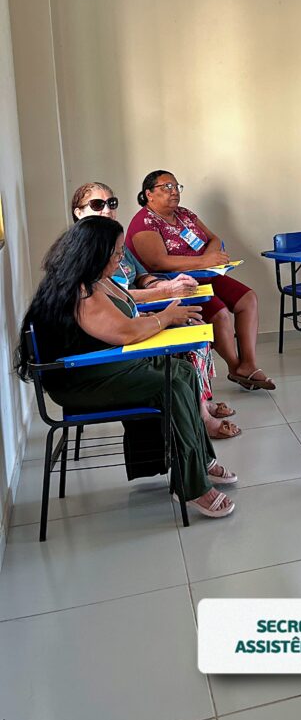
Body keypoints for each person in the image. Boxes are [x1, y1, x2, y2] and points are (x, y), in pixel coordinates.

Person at [15, 217, 236, 518]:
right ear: (96, 252)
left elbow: (126, 304)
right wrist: (166, 317)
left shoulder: (95, 279)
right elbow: (126, 333)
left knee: (183, 370)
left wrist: (163, 300)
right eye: (117, 252)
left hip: (100, 366)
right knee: (171, 383)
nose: (122, 257)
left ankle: (201, 461)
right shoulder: (81, 292)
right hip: (82, 381)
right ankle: (191, 485)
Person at [71, 181, 240, 439]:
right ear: (79, 212)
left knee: (194, 327)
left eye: (111, 203)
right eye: (97, 204)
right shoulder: (84, 251)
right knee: (184, 344)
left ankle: (200, 402)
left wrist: (162, 284)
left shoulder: (115, 242)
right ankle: (201, 416)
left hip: (131, 317)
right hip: (110, 342)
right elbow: (113, 296)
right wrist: (166, 295)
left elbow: (142, 276)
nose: (106, 209)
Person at [126, 170, 275, 391]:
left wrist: (211, 258)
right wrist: (205, 260)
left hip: (205, 274)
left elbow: (214, 239)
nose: (174, 191)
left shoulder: (184, 214)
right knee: (220, 313)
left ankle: (249, 363)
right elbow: (157, 262)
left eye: (176, 186)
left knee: (248, 298)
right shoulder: (144, 222)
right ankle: (235, 367)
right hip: (175, 283)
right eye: (167, 187)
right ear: (149, 194)